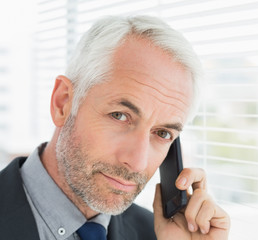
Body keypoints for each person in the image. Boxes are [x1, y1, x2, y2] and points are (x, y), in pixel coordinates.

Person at [0, 15, 230, 239]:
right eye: (120, 116)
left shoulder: (155, 234)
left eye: (162, 133)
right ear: (63, 103)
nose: (137, 162)